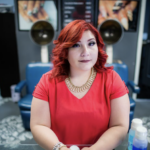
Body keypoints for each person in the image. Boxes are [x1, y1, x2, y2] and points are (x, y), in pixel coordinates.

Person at [30, 20, 130, 150]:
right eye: (76, 45)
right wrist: (60, 148)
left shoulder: (112, 79)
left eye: (91, 43)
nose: (85, 52)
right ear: (65, 51)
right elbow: (39, 125)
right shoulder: (47, 81)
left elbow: (120, 126)